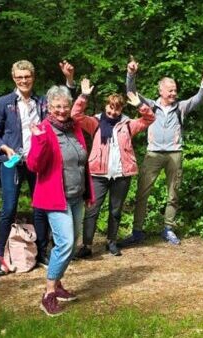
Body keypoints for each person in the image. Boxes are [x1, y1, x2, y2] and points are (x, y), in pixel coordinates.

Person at [0, 60, 74, 272]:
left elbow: (64, 104)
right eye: (19, 77)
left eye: (27, 76)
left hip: (38, 162)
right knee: (9, 208)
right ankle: (2, 256)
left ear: (33, 77)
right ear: (13, 78)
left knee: (40, 209)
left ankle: (40, 252)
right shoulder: (4, 102)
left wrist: (69, 80)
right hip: (12, 162)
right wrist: (4, 148)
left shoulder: (42, 102)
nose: (24, 80)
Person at [122, 59, 203, 246]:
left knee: (173, 193)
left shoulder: (180, 107)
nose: (174, 92)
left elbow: (199, 98)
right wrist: (131, 74)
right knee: (142, 192)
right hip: (153, 154)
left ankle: (168, 228)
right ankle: (137, 231)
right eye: (170, 90)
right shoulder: (151, 105)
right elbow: (131, 93)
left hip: (174, 154)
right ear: (161, 91)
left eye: (175, 89)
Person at [27, 85, 94, 316]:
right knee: (65, 243)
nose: (62, 110)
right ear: (49, 107)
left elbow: (82, 162)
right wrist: (39, 140)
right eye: (57, 106)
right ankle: (48, 293)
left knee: (70, 244)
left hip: (76, 195)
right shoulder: (43, 129)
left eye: (65, 106)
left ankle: (58, 284)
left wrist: (88, 193)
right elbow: (34, 165)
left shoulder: (74, 127)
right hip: (55, 197)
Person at [73, 79, 155, 257]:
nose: (112, 111)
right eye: (110, 107)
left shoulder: (128, 124)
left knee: (116, 210)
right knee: (92, 211)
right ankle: (86, 246)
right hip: (97, 174)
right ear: (106, 106)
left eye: (117, 108)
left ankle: (111, 242)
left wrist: (140, 105)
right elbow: (75, 115)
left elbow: (150, 118)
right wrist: (84, 95)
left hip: (121, 175)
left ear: (121, 109)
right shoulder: (94, 122)